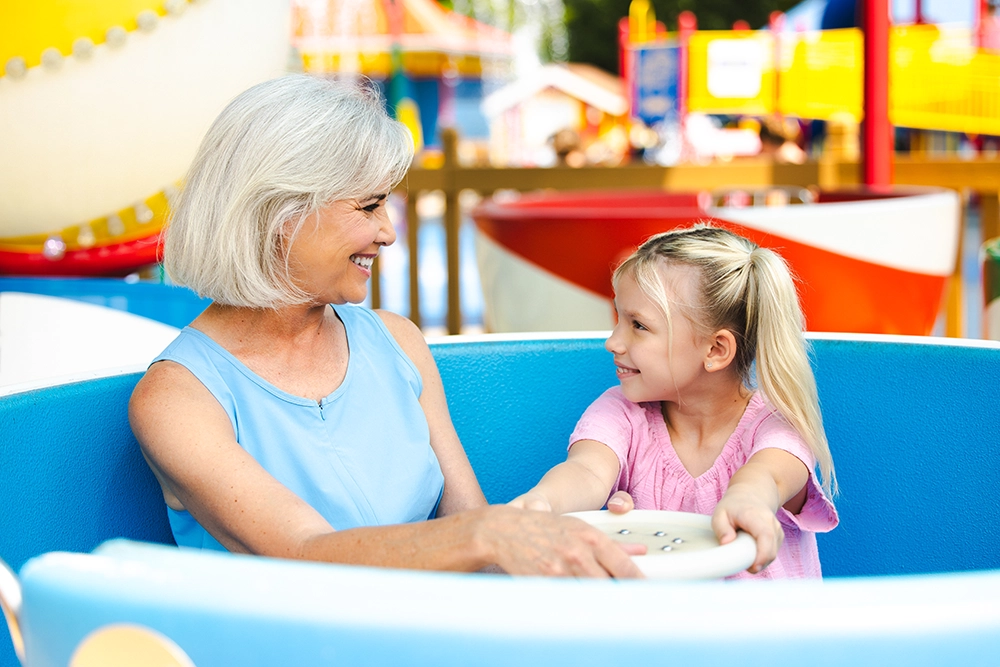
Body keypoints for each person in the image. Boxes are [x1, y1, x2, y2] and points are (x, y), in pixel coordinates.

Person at [128, 74, 643, 578]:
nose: (388, 232)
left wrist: (583, 535)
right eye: (370, 206)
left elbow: (477, 545)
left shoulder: (397, 341)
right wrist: (487, 535)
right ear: (280, 213)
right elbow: (301, 551)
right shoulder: (177, 397)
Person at [510, 225, 839, 579]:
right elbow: (587, 471)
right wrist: (543, 502)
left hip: (763, 631)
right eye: (619, 319)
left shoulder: (776, 427)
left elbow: (766, 480)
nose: (613, 342)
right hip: (654, 629)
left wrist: (748, 502)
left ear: (715, 350)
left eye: (638, 325)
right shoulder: (620, 412)